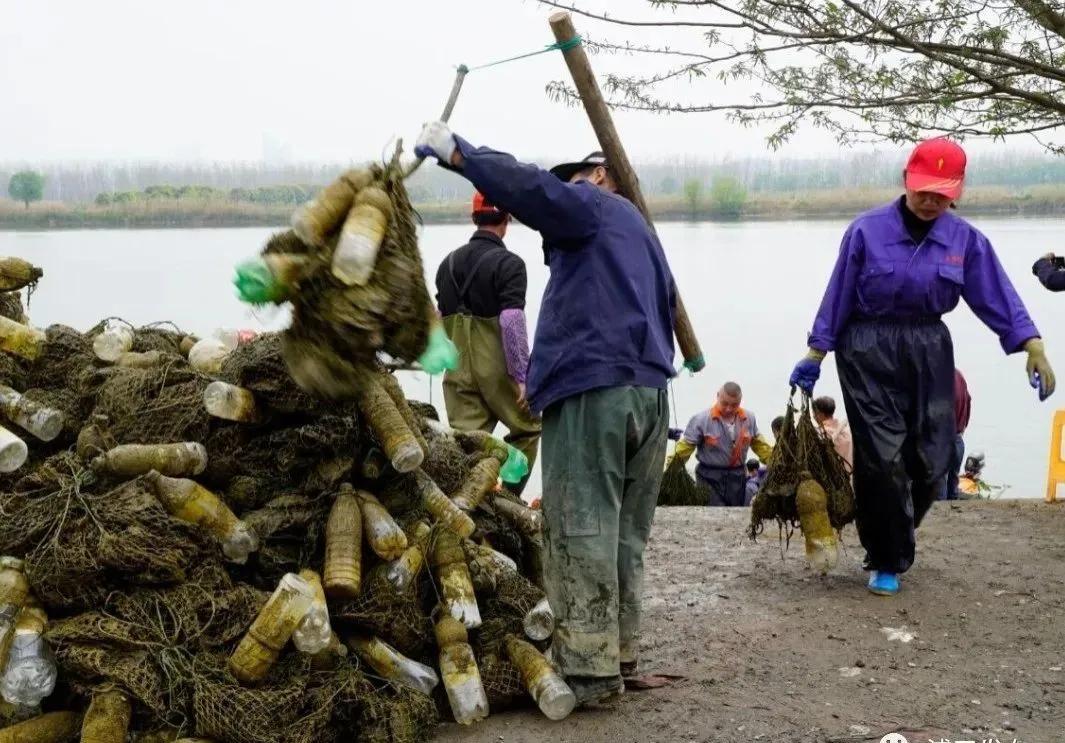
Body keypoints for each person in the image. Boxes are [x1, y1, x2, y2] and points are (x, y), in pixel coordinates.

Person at [416, 122, 677, 703]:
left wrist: (462, 154)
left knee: (581, 525)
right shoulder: (640, 234)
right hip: (650, 394)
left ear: (601, 177)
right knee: (624, 535)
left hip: (596, 392)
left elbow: (534, 189)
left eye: (579, 179)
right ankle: (621, 652)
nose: (573, 189)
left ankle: (588, 673)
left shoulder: (594, 206)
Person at [789, 137, 1055, 597]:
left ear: (958, 191)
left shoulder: (965, 240)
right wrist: (816, 352)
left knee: (936, 458)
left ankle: (892, 527)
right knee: (883, 459)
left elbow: (997, 294)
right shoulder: (865, 231)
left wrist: (1031, 345)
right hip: (868, 347)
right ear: (906, 182)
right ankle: (886, 557)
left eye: (942, 192)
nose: (931, 201)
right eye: (922, 190)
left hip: (929, 345)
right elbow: (838, 293)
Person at [435, 191, 541, 494]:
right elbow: (510, 322)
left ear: (474, 219)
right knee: (528, 429)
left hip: (457, 369)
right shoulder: (510, 264)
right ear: (506, 220)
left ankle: (476, 504)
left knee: (467, 442)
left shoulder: (448, 264)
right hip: (499, 371)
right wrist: (522, 376)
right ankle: (507, 497)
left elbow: (438, 316)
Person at [671, 382, 773, 507]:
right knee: (713, 513)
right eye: (725, 403)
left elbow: (761, 446)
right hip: (708, 477)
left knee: (736, 512)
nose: (729, 409)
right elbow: (684, 449)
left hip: (737, 476)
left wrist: (776, 462)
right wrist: (670, 471)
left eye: (734, 405)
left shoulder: (749, 418)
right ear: (718, 396)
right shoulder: (701, 420)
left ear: (740, 401)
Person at [940, 369, 971, 500]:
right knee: (952, 487)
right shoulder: (959, 376)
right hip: (958, 440)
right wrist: (963, 427)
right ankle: (952, 517)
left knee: (939, 487)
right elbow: (968, 401)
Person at [812, 396, 853, 470]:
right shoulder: (848, 432)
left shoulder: (819, 433)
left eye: (814, 413)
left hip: (830, 480)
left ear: (820, 413)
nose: (814, 416)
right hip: (851, 478)